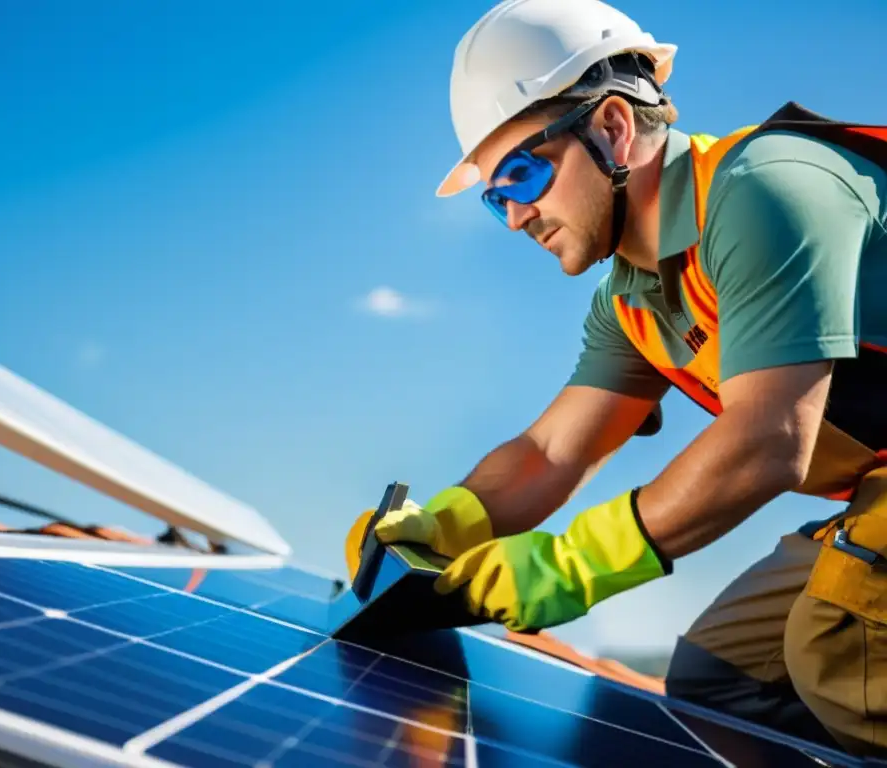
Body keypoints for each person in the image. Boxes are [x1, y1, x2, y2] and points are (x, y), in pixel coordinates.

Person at [343, 0, 887, 758]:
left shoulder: (763, 190)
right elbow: (550, 452)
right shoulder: (633, 298)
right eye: (495, 198)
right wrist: (444, 526)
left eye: (523, 175)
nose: (514, 217)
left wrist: (568, 568)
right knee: (722, 678)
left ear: (611, 128)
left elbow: (768, 441)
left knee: (838, 653)